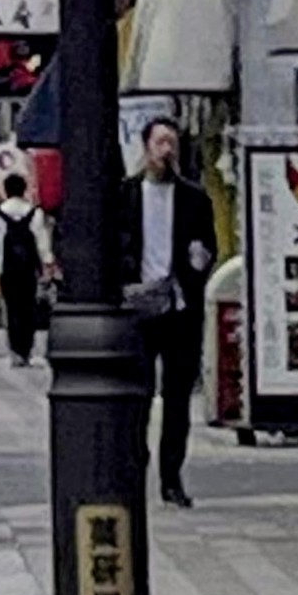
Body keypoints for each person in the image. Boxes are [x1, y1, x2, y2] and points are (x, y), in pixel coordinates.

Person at [117, 116, 217, 508]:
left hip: (179, 307)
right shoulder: (125, 196)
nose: (166, 150)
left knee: (177, 398)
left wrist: (199, 262)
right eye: (160, 143)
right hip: (138, 309)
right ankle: (135, 468)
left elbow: (208, 247)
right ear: (145, 147)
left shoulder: (194, 198)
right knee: (138, 396)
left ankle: (171, 477)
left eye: (171, 143)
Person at [0, 172, 49, 368]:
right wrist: (47, 265)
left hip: (8, 269)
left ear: (5, 190)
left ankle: (15, 351)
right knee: (28, 308)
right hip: (29, 269)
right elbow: (42, 243)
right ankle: (27, 349)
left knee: (12, 309)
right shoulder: (35, 213)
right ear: (24, 189)